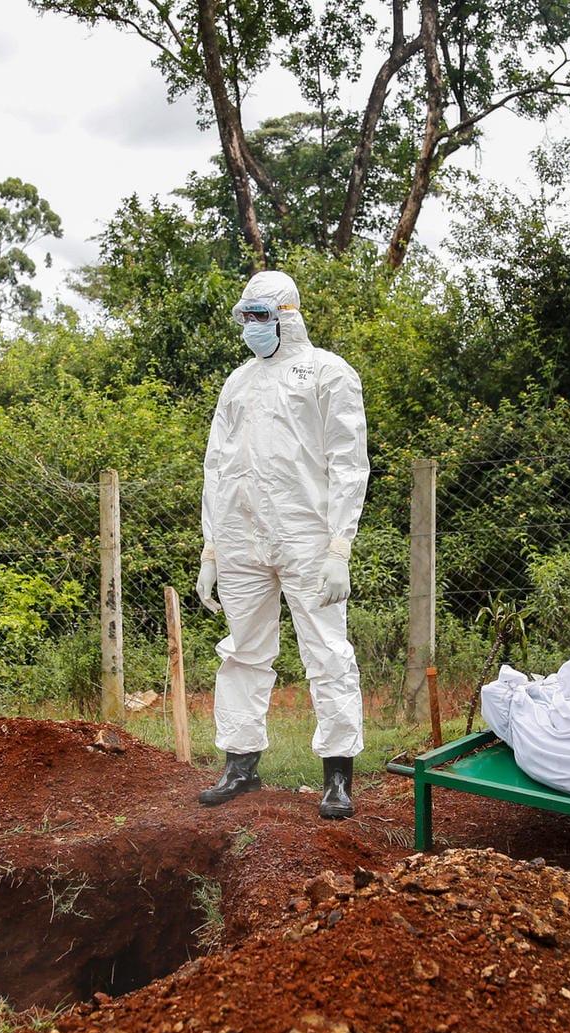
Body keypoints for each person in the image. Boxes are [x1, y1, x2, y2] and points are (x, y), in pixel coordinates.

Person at [194, 270, 370, 818]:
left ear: (287, 316)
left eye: (260, 316)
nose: (251, 327)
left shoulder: (328, 373)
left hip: (305, 537)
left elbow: (348, 462)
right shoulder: (238, 381)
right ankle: (240, 764)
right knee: (242, 651)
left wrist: (340, 546)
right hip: (240, 537)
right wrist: (211, 549)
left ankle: (338, 774)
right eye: (245, 318)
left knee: (326, 651)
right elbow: (216, 466)